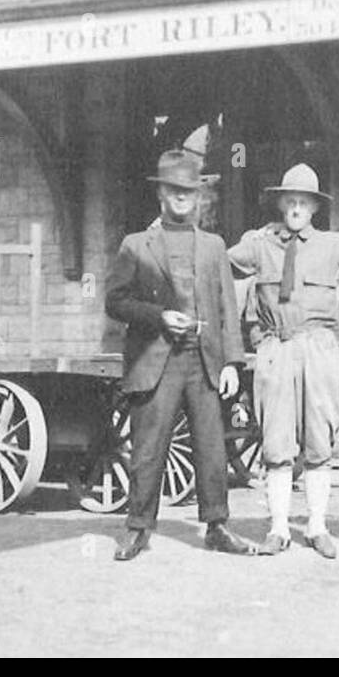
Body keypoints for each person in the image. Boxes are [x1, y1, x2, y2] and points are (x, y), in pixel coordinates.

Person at [105, 149, 255, 561]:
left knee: (212, 447)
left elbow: (228, 309)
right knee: (148, 447)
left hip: (203, 360)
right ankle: (138, 529)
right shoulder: (137, 245)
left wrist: (231, 363)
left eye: (189, 190)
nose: (182, 196)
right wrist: (157, 316)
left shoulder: (213, 246)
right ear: (161, 194)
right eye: (174, 189)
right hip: (156, 360)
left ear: (199, 196)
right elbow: (115, 302)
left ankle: (218, 526)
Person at [226, 163, 339, 560]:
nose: (297, 207)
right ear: (281, 203)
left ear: (315, 208)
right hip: (277, 349)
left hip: (318, 349)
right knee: (277, 441)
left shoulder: (334, 245)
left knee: (319, 439)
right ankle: (279, 528)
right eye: (291, 200)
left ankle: (318, 527)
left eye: (304, 201)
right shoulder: (259, 244)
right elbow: (217, 261)